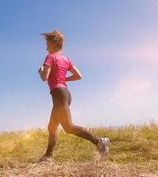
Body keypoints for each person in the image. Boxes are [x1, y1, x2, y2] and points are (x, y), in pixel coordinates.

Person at [37, 30, 110, 162]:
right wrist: (64, 80)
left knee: (68, 127)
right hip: (65, 93)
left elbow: (44, 78)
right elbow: (79, 76)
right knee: (52, 126)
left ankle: (100, 142)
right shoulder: (66, 59)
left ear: (53, 44)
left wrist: (41, 71)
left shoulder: (50, 57)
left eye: (47, 43)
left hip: (59, 94)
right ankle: (47, 157)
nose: (46, 46)